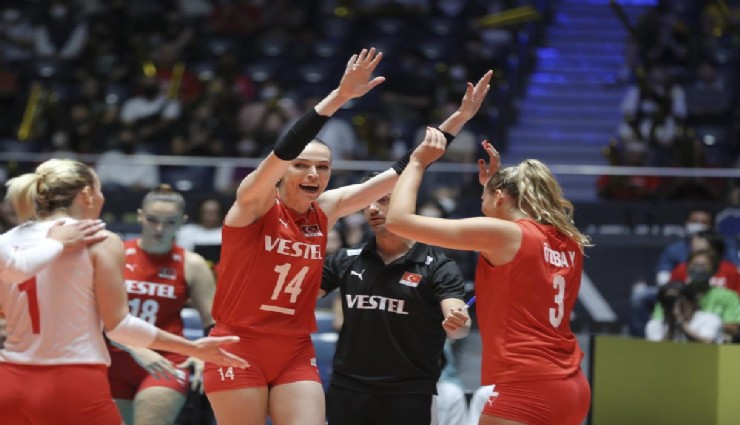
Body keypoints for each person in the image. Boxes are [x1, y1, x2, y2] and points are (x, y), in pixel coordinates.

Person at [202, 47, 492, 425]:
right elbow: (282, 150)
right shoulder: (253, 204)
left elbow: (400, 170)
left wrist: (458, 120)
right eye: (301, 166)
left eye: (322, 167)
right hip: (238, 342)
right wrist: (339, 97)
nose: (313, 174)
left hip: (293, 347)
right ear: (282, 172)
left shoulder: (324, 209)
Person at [0, 159, 247, 425]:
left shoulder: (7, 241)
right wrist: (192, 348)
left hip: (11, 378)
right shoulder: (100, 240)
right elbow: (118, 326)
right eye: (100, 190)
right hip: (74, 378)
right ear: (87, 194)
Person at [386, 133, 591, 425]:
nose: (481, 202)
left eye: (485, 197)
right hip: (571, 385)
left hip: (527, 385)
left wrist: (417, 163)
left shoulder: (504, 236)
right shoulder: (569, 241)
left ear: (500, 197)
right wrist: (494, 186)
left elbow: (398, 221)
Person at [319, 172, 470, 425]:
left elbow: (459, 325)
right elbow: (297, 295)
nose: (373, 209)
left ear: (407, 204)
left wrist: (458, 323)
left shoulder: (438, 266)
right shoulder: (345, 259)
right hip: (348, 387)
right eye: (367, 203)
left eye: (384, 200)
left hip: (409, 392)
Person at [108, 185, 218, 425]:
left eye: (169, 222)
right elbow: (98, 317)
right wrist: (137, 349)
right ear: (140, 216)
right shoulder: (115, 255)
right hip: (114, 358)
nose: (159, 228)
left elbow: (214, 321)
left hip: (167, 360)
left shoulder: (192, 264)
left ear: (182, 221)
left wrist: (202, 354)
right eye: (152, 220)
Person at [644, 281, 723, 343]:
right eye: (667, 301)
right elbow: (656, 353)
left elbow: (707, 344)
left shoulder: (710, 319)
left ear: (691, 302)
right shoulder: (654, 325)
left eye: (678, 300)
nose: (673, 305)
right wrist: (671, 326)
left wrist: (681, 322)